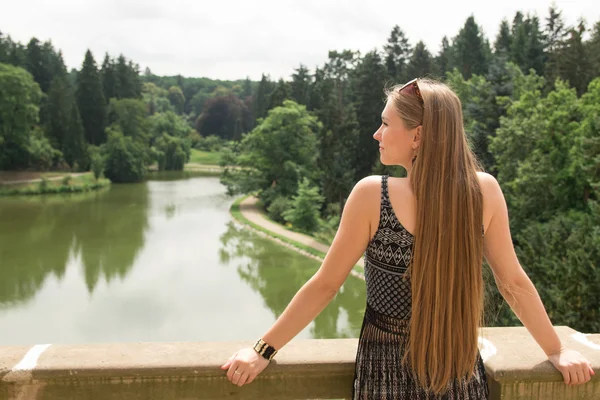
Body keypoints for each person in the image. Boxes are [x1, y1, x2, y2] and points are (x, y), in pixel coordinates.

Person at [220, 78, 595, 398]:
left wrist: (262, 350)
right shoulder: (484, 191)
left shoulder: (372, 195)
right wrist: (557, 350)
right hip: (458, 376)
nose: (376, 134)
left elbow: (325, 287)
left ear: (417, 136)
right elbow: (512, 283)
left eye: (385, 123)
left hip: (384, 378)